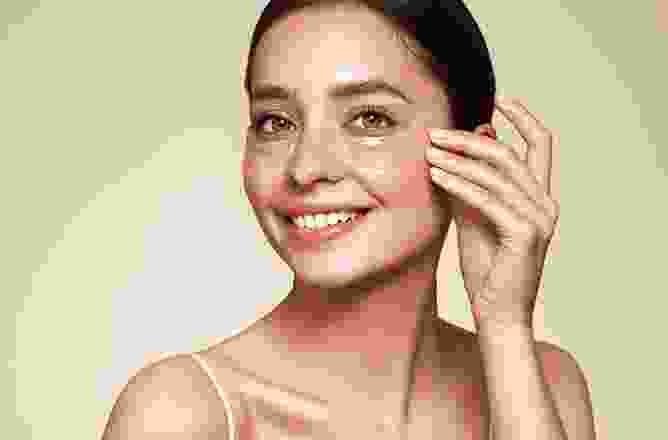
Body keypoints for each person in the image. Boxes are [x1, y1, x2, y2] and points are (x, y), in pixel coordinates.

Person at [101, 0, 596, 438]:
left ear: (474, 157)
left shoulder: (543, 383)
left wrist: (504, 324)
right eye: (275, 122)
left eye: (369, 119)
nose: (306, 168)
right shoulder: (181, 414)